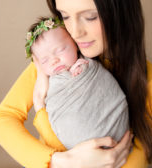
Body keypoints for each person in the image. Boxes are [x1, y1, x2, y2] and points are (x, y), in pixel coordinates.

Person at [0, 0, 152, 168]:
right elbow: (2, 121)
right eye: (65, 16)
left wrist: (41, 112)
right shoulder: (57, 61)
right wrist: (59, 162)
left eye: (90, 17)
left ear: (121, 13)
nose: (75, 32)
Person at [26, 16, 129, 150]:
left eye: (59, 50)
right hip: (68, 152)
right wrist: (40, 87)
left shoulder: (89, 64)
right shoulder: (47, 80)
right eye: (45, 60)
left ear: (75, 44)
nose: (54, 60)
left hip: (116, 134)